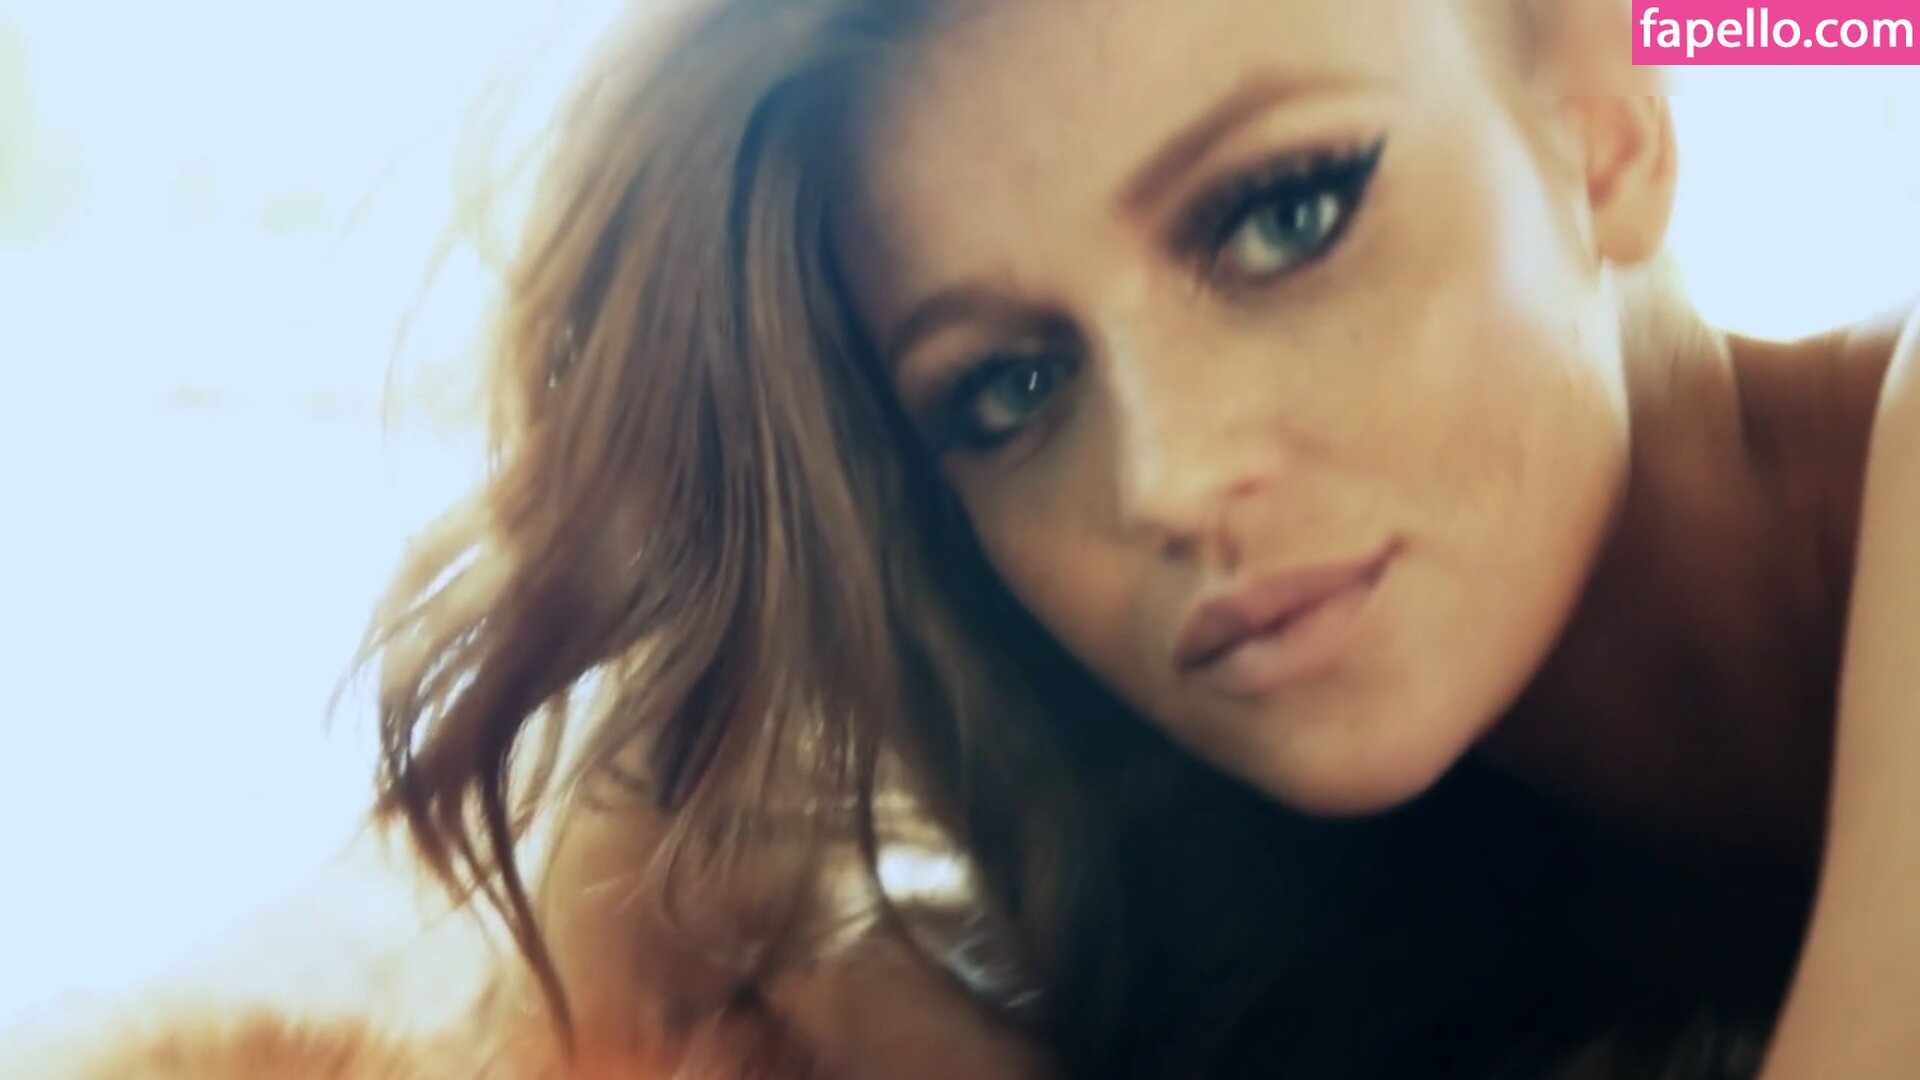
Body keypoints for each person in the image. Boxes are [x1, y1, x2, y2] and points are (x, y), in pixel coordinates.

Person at [13, 0, 1918, 1077]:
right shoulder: (1308, 892)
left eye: (1282, 214)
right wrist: (873, 1003)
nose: (1163, 480)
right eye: (1007, 390)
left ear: (1605, 122)